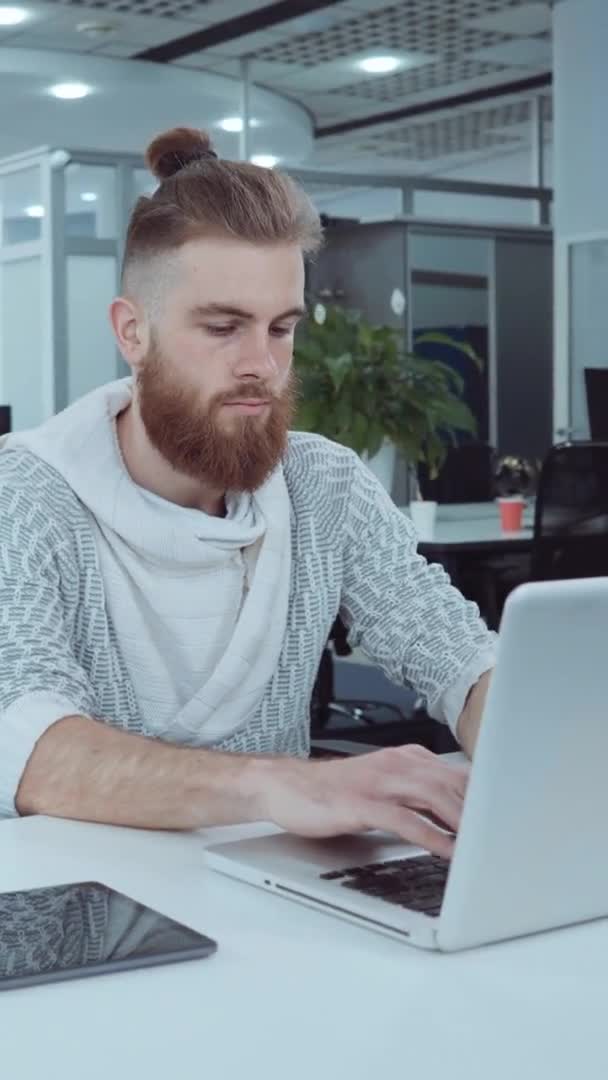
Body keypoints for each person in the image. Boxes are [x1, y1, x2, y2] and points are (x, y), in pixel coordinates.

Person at [0, 127, 496, 859]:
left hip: (280, 900)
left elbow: (453, 652)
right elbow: (26, 741)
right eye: (224, 327)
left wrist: (530, 738)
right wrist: (275, 785)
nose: (262, 365)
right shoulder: (26, 495)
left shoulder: (321, 483)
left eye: (281, 328)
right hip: (88, 912)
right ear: (132, 332)